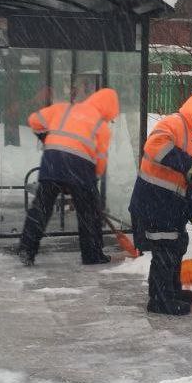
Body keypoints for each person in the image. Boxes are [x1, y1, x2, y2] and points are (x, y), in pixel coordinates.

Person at [129, 91, 192, 315]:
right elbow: (155, 145)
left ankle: (171, 291)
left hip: (172, 205)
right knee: (165, 249)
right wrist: (186, 163)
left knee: (177, 245)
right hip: (154, 200)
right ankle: (159, 300)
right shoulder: (174, 123)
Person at [16, 87, 119, 266]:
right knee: (88, 213)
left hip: (52, 161)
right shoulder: (101, 126)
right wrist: (92, 181)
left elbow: (34, 120)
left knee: (41, 208)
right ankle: (92, 255)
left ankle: (27, 249)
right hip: (80, 167)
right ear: (109, 110)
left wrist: (46, 138)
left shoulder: (63, 108)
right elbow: (101, 158)